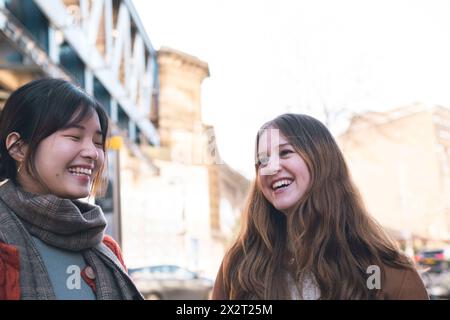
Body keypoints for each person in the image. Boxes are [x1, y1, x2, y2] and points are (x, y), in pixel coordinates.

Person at [212, 113, 429, 300]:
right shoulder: (239, 266)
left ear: (321, 160)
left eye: (285, 152)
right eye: (262, 161)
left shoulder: (386, 269)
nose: (271, 168)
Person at [0, 78, 142, 300]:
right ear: (18, 148)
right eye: (74, 137)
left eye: (97, 142)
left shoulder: (105, 249)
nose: (93, 153)